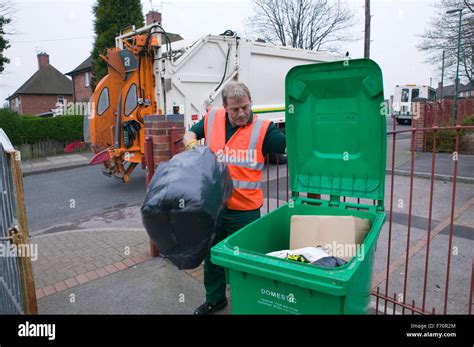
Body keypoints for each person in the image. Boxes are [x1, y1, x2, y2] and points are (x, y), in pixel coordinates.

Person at [183, 81, 286, 315]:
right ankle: (216, 299)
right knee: (212, 256)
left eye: (246, 107)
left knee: (247, 260)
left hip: (245, 210)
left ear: (251, 104)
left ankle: (251, 303)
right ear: (225, 107)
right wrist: (190, 142)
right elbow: (191, 132)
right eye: (235, 109)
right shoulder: (212, 119)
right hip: (214, 206)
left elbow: (287, 144)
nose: (242, 113)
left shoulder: (264, 129)